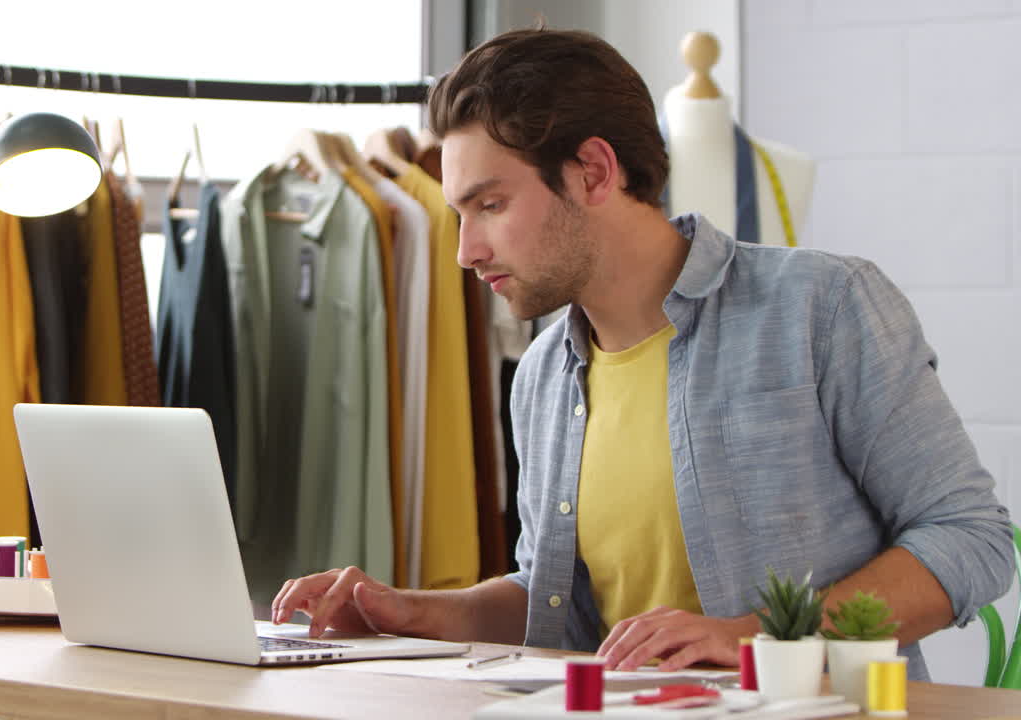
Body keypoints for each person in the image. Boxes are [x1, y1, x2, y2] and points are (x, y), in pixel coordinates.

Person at [270, 28, 1013, 682]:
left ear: (594, 170)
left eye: (491, 205)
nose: (467, 251)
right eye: (460, 213)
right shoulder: (541, 377)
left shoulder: (822, 307)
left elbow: (970, 541)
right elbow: (556, 600)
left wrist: (751, 640)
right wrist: (409, 611)